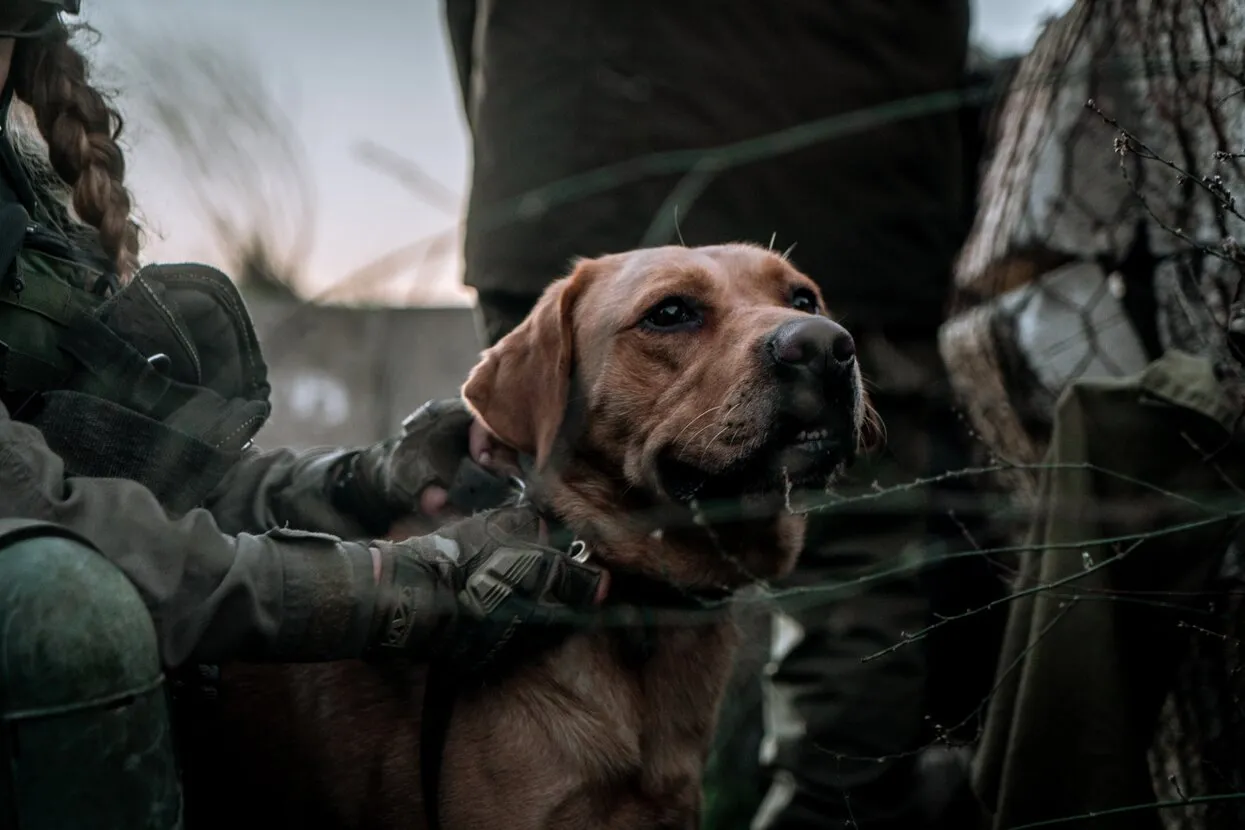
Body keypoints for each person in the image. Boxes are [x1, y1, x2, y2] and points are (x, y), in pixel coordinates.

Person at [0, 3, 605, 827]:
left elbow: (165, 491)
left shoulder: (25, 215)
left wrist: (366, 479)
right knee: (66, 604)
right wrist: (392, 588)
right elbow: (52, 523)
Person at [444, 2, 1007, 827]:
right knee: (847, 591)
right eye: (675, 316)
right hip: (857, 192)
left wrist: (519, 150)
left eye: (799, 302)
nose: (797, 329)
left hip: (560, 155)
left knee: (535, 563)